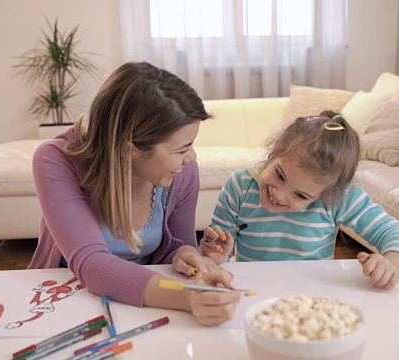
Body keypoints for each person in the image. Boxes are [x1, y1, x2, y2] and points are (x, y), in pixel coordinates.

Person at [28, 62, 240, 326]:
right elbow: (93, 265)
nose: (191, 157)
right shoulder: (56, 160)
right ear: (130, 149)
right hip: (65, 298)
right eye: (181, 149)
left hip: (145, 302)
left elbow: (174, 245)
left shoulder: (182, 172)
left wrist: (190, 256)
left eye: (191, 145)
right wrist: (188, 297)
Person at [201, 111, 399, 290]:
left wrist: (391, 264)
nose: (279, 194)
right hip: (252, 291)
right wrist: (213, 252)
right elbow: (214, 251)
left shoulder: (339, 198)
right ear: (274, 151)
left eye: (301, 195)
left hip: (314, 300)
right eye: (279, 175)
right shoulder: (239, 186)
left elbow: (398, 235)